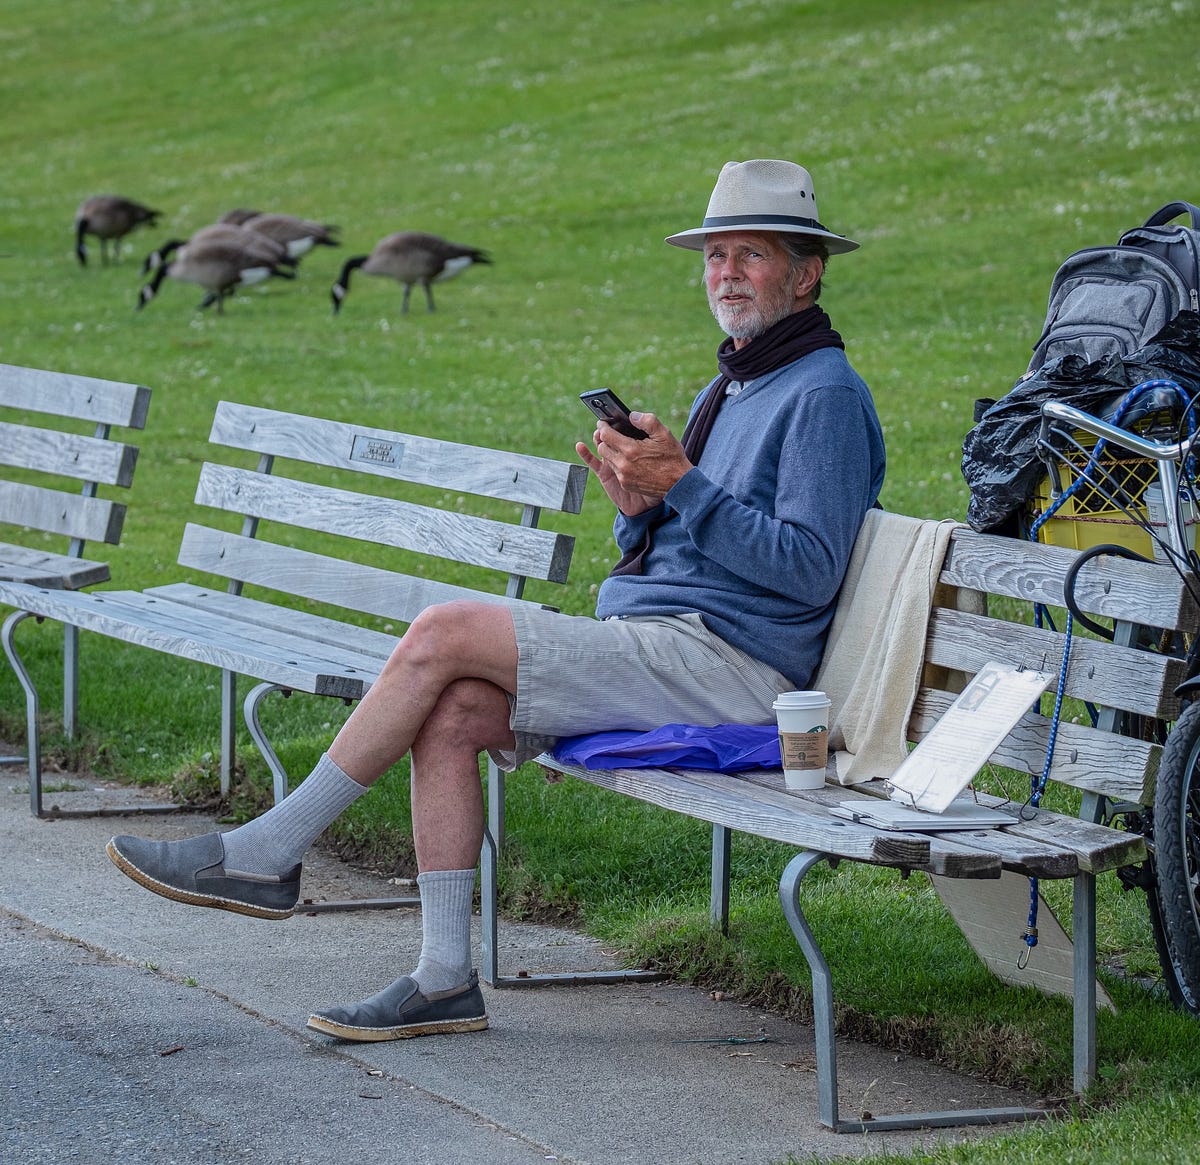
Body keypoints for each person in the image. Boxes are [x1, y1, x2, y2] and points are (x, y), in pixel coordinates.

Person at [106, 158, 886, 1042]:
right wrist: (644, 507)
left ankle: (266, 851)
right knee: (456, 709)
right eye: (715, 255)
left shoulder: (823, 393)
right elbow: (695, 541)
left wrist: (686, 485)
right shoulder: (736, 380)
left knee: (442, 632)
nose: (727, 273)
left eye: (752, 254)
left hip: (734, 670)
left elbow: (810, 571)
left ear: (807, 270)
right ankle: (443, 978)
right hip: (661, 640)